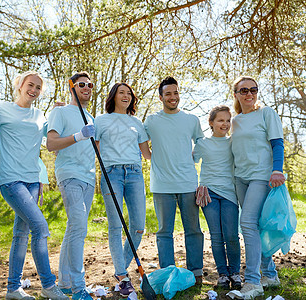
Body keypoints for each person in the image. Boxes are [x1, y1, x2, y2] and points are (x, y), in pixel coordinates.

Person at [0, 71, 68, 300]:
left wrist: (60, 112)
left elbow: (54, 139)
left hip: (32, 181)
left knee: (21, 234)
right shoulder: (1, 109)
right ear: (19, 85)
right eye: (30, 85)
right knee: (40, 227)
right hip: (10, 179)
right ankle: (48, 285)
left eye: (38, 87)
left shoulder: (40, 116)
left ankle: (12, 289)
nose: (34, 90)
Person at [143, 76, 204, 284]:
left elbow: (201, 141)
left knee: (193, 229)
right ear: (161, 97)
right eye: (168, 93)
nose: (173, 97)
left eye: (175, 92)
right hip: (162, 185)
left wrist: (193, 158)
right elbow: (140, 139)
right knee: (164, 232)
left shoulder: (191, 119)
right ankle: (167, 272)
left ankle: (196, 271)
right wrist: (150, 156)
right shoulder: (152, 120)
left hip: (188, 183)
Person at [231, 76, 285, 298]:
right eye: (243, 90)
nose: (249, 94)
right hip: (240, 178)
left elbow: (277, 143)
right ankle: (270, 275)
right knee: (256, 226)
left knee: (247, 223)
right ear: (235, 94)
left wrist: (277, 169)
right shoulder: (234, 121)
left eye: (253, 90)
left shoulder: (266, 113)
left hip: (261, 176)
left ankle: (253, 282)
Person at [94, 83, 151, 296]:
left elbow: (147, 154)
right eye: (122, 93)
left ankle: (121, 270)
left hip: (135, 174)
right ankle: (122, 274)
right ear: (113, 96)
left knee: (138, 226)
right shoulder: (101, 120)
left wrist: (175, 155)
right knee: (116, 226)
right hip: (112, 174)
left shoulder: (137, 122)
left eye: (129, 93)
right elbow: (94, 150)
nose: (126, 96)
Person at [46, 71, 96, 300]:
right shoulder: (60, 111)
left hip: (89, 178)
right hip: (69, 175)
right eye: (81, 84)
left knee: (73, 228)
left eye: (90, 85)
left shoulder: (91, 117)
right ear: (72, 87)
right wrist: (78, 135)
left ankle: (65, 282)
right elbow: (51, 143)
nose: (86, 88)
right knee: (79, 227)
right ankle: (78, 288)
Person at [193, 105, 241, 289]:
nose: (225, 124)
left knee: (231, 235)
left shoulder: (234, 142)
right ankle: (222, 274)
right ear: (211, 123)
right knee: (216, 236)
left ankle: (235, 273)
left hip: (229, 193)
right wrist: (197, 186)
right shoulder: (202, 143)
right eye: (221, 120)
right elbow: (188, 162)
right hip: (209, 194)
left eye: (228, 120)